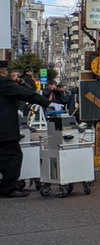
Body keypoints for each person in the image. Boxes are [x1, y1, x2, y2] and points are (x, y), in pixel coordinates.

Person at [0, 61, 50, 198]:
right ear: (2, 71)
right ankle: (7, 189)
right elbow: (29, 94)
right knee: (13, 157)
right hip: (5, 130)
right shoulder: (3, 83)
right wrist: (48, 104)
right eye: (6, 71)